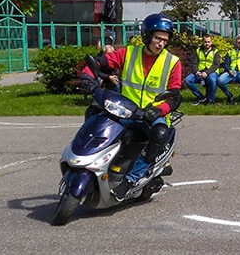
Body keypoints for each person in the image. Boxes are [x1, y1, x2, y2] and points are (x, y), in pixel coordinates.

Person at [78, 13, 182, 201]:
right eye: (157, 38)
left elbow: (175, 97)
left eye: (165, 40)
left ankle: (130, 181)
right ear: (146, 35)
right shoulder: (129, 53)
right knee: (93, 112)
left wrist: (159, 110)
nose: (160, 43)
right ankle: (87, 159)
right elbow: (99, 62)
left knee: (160, 134)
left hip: (150, 115)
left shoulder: (172, 62)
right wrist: (87, 75)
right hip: (125, 109)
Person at [184, 34, 220, 105]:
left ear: (211, 42)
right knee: (188, 80)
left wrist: (207, 72)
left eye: (208, 42)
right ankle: (201, 97)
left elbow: (216, 64)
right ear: (203, 42)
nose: (207, 43)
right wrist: (196, 71)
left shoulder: (215, 51)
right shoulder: (198, 51)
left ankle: (210, 100)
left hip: (211, 72)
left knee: (212, 80)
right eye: (205, 42)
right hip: (199, 72)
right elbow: (194, 63)